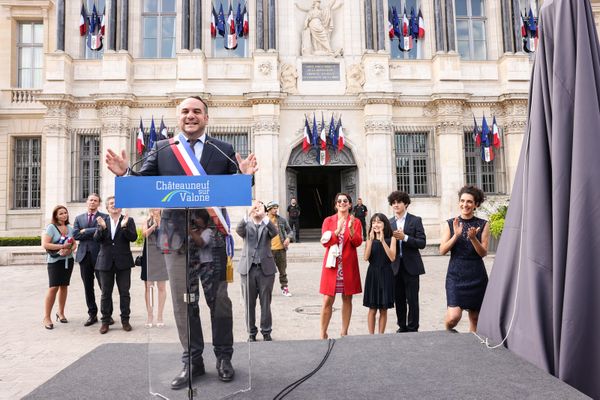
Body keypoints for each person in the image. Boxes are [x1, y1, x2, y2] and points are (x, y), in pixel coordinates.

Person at [105, 95, 258, 389]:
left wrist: (246, 177)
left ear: (206, 118)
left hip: (211, 240)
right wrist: (125, 173)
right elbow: (142, 184)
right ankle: (193, 360)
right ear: (178, 117)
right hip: (174, 241)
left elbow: (236, 188)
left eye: (197, 111)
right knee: (182, 304)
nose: (191, 115)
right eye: (185, 111)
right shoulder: (162, 149)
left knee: (220, 303)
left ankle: (224, 357)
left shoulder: (221, 149)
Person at [439, 185, 490, 332]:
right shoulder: (450, 223)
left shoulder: (483, 224)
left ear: (476, 205)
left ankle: (471, 349)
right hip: (456, 274)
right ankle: (447, 333)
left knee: (475, 318)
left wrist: (473, 238)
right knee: (453, 317)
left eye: (469, 202)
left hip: (476, 274)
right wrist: (456, 235)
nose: (465, 204)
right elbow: (442, 250)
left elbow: (483, 253)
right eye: (462, 201)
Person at [319, 192, 363, 339]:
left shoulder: (355, 222)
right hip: (332, 266)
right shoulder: (328, 221)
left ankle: (344, 331)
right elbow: (325, 242)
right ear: (335, 205)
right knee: (327, 300)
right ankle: (323, 332)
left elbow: (357, 242)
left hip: (348, 265)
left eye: (345, 201)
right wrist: (337, 230)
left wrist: (350, 229)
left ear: (350, 204)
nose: (342, 203)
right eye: (339, 201)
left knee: (347, 298)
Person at [93, 196, 137, 334]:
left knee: (124, 293)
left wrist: (124, 227)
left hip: (123, 262)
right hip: (105, 262)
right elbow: (97, 239)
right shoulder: (102, 220)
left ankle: (125, 320)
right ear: (107, 207)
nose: (114, 205)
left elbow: (133, 237)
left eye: (117, 203)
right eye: (111, 203)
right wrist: (103, 229)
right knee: (106, 293)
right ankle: (105, 321)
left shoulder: (128, 220)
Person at [236, 200, 278, 342]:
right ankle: (251, 332)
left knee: (266, 302)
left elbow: (275, 232)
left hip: (265, 269)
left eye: (259, 206)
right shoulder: (246, 225)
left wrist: (264, 216)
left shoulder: (267, 225)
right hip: (248, 268)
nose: (256, 208)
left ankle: (266, 331)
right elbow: (238, 230)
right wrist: (248, 213)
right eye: (254, 206)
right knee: (249, 303)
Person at [388, 191, 426, 333]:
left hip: (412, 266)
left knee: (412, 299)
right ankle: (402, 326)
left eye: (399, 202)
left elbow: (422, 243)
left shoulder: (415, 220)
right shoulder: (389, 223)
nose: (396, 205)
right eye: (393, 203)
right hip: (395, 267)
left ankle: (413, 327)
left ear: (406, 204)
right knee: (399, 299)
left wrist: (405, 238)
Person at [73, 193, 109, 327]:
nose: (92, 202)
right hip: (84, 256)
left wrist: (85, 230)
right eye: (90, 200)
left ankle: (107, 315)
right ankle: (92, 314)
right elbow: (76, 234)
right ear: (86, 202)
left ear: (98, 203)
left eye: (95, 201)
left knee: (104, 287)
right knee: (88, 287)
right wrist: (93, 232)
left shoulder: (104, 217)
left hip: (99, 256)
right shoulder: (78, 218)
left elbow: (103, 232)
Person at [41, 205, 77, 329]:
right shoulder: (51, 227)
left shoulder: (69, 228)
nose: (64, 215)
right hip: (54, 262)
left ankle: (60, 313)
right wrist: (61, 247)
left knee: (64, 286)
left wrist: (69, 250)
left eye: (65, 213)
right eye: (61, 213)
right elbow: (45, 244)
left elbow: (74, 244)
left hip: (68, 260)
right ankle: (47, 317)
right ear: (56, 215)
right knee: (53, 287)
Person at [363, 213, 396, 334]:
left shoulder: (391, 238)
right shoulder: (369, 238)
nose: (376, 224)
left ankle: (381, 335)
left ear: (384, 224)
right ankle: (371, 335)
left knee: (383, 309)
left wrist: (382, 241)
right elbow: (366, 257)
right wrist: (371, 241)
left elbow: (392, 257)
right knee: (372, 308)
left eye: (379, 222)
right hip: (373, 274)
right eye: (373, 222)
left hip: (386, 273)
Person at [140, 208, 168, 328]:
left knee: (161, 287)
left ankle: (160, 316)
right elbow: (144, 234)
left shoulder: (167, 221)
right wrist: (153, 225)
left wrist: (160, 223)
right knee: (149, 287)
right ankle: (150, 315)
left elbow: (169, 236)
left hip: (162, 255)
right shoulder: (146, 220)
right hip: (149, 256)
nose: (156, 208)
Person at [267, 201, 294, 296]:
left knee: (283, 271)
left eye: (276, 208)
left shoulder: (281, 220)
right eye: (274, 208)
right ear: (269, 209)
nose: (276, 210)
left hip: (281, 249)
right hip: (268, 250)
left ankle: (285, 288)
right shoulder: (264, 220)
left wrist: (288, 238)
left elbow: (290, 231)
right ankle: (266, 289)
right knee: (268, 272)